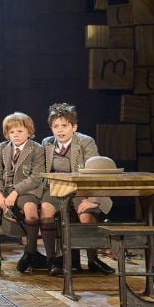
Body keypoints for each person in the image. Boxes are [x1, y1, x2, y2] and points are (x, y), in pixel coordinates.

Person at [42, 102, 115, 276]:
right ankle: (52, 259)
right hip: (56, 189)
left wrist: (93, 200)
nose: (60, 130)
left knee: (85, 216)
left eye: (64, 125)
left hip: (82, 188)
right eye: (55, 126)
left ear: (74, 127)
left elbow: (97, 171)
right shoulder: (47, 143)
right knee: (45, 212)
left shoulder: (85, 142)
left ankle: (92, 259)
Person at [0, 112, 49, 274]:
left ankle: (30, 252)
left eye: (20, 131)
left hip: (26, 190)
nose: (15, 135)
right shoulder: (3, 148)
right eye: (12, 132)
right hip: (4, 191)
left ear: (29, 131)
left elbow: (36, 177)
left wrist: (15, 192)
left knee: (30, 210)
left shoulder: (37, 149)